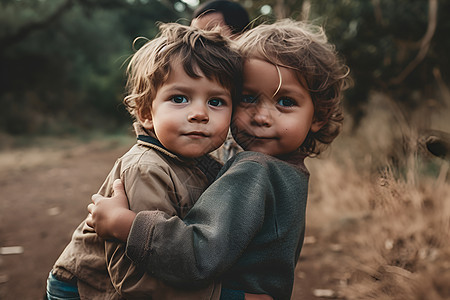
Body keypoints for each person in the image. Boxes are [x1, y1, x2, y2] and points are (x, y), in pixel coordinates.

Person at [87, 19, 351, 300]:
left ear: (319, 116)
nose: (261, 117)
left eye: (285, 102)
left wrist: (124, 224)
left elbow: (196, 257)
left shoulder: (254, 170)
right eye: (247, 98)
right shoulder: (291, 170)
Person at [46, 22, 243, 300]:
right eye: (179, 98)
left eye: (216, 102)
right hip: (83, 288)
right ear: (146, 112)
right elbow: (134, 282)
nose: (200, 113)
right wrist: (223, 296)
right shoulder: (147, 170)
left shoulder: (202, 163)